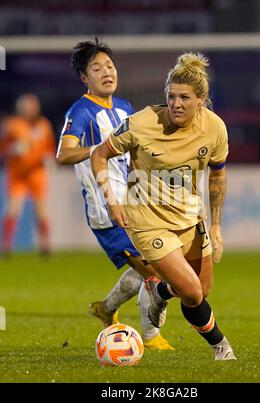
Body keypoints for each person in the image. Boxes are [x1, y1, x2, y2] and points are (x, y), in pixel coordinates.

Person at [90, 52, 236, 360]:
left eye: (184, 97)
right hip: (147, 220)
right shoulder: (141, 123)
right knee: (193, 292)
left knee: (201, 290)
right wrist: (111, 198)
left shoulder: (215, 129)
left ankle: (157, 294)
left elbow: (218, 179)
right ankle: (221, 347)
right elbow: (99, 155)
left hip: (189, 217)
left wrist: (217, 226)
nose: (176, 104)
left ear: (201, 100)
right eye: (171, 97)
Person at [56, 38, 173, 350]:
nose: (106, 71)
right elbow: (63, 155)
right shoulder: (80, 111)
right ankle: (150, 338)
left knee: (154, 266)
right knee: (157, 271)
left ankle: (106, 309)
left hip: (135, 203)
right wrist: (99, 150)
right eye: (96, 68)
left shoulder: (124, 108)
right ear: (85, 77)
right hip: (106, 210)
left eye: (109, 65)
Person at [0, 93, 55, 255]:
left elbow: (50, 148)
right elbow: (2, 150)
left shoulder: (43, 125)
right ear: (20, 108)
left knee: (41, 210)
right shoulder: (11, 125)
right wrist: (12, 150)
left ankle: (45, 245)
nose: (28, 109)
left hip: (37, 172)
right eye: (25, 106)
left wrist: (48, 158)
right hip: (18, 174)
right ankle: (6, 246)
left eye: (31, 106)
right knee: (12, 209)